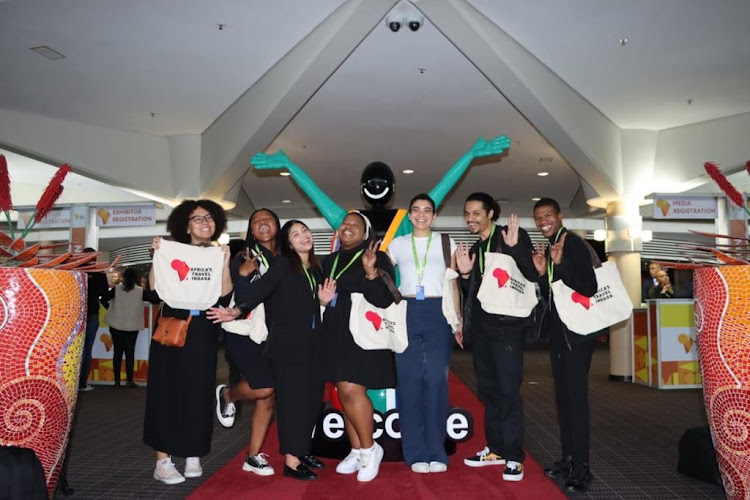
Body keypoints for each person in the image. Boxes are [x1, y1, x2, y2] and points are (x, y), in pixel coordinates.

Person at [209, 220, 336, 481]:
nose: (304, 236)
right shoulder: (282, 265)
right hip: (287, 348)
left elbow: (311, 308)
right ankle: (291, 460)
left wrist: (322, 302)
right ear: (288, 243)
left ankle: (301, 451)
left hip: (312, 346)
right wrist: (237, 309)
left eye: (306, 231)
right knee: (292, 405)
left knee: (312, 402)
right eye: (296, 234)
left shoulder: (314, 267)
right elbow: (260, 290)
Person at [144, 199, 233, 485]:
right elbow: (154, 290)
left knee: (199, 389)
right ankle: (163, 461)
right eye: (197, 219)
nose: (205, 223)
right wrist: (157, 257)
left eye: (209, 218)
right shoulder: (171, 251)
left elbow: (224, 294)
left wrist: (226, 262)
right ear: (185, 224)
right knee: (166, 390)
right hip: (172, 325)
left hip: (203, 328)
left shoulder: (218, 254)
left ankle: (193, 453)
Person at [455, 193, 536, 482]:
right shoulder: (477, 247)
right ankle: (497, 449)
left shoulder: (511, 236)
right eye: (467, 214)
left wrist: (515, 250)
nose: (470, 219)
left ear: (491, 213)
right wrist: (465, 276)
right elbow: (476, 293)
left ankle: (514, 456)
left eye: (476, 213)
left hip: (508, 328)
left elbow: (532, 275)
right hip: (483, 329)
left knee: (508, 392)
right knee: (489, 391)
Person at [385, 194, 461, 473]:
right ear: (409, 215)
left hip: (437, 310)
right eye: (416, 210)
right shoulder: (397, 244)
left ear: (434, 215)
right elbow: (379, 273)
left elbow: (452, 283)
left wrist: (458, 320)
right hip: (406, 310)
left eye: (427, 210)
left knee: (437, 382)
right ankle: (415, 452)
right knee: (408, 382)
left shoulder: (446, 242)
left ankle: (436, 451)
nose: (421, 214)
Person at [321, 212, 397, 482]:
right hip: (334, 333)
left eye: (356, 225)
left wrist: (370, 272)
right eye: (345, 224)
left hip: (364, 334)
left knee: (353, 390)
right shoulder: (328, 261)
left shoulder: (376, 255)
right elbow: (322, 297)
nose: (348, 227)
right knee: (343, 392)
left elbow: (384, 300)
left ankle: (369, 449)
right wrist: (322, 300)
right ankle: (356, 449)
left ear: (366, 234)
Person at [531, 197, 598, 492]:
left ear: (559, 215)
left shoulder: (571, 243)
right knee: (564, 400)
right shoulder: (553, 245)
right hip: (562, 333)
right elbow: (554, 293)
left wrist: (559, 264)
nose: (543, 220)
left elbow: (588, 286)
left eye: (548, 215)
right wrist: (543, 272)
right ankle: (569, 459)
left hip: (578, 335)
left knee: (576, 400)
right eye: (538, 217)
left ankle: (582, 468)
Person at [213, 209, 281, 477]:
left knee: (269, 396)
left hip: (273, 334)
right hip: (241, 329)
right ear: (252, 230)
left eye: (268, 220)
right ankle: (227, 395)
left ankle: (252, 457)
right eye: (256, 221)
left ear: (277, 225)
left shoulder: (283, 259)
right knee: (264, 388)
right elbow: (226, 292)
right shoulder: (243, 256)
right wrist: (241, 275)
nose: (263, 224)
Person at [101, 267, 157, 388]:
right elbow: (155, 300)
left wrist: (111, 309)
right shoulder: (140, 291)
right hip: (132, 326)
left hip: (116, 325)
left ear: (124, 277)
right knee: (130, 353)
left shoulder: (116, 289)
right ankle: (129, 381)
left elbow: (103, 299)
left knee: (117, 353)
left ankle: (116, 381)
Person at [79, 248, 109, 392]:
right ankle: (82, 383)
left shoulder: (76, 272)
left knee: (74, 349)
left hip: (76, 314)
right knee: (87, 348)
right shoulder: (100, 275)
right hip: (92, 313)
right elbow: (104, 295)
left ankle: (70, 383)